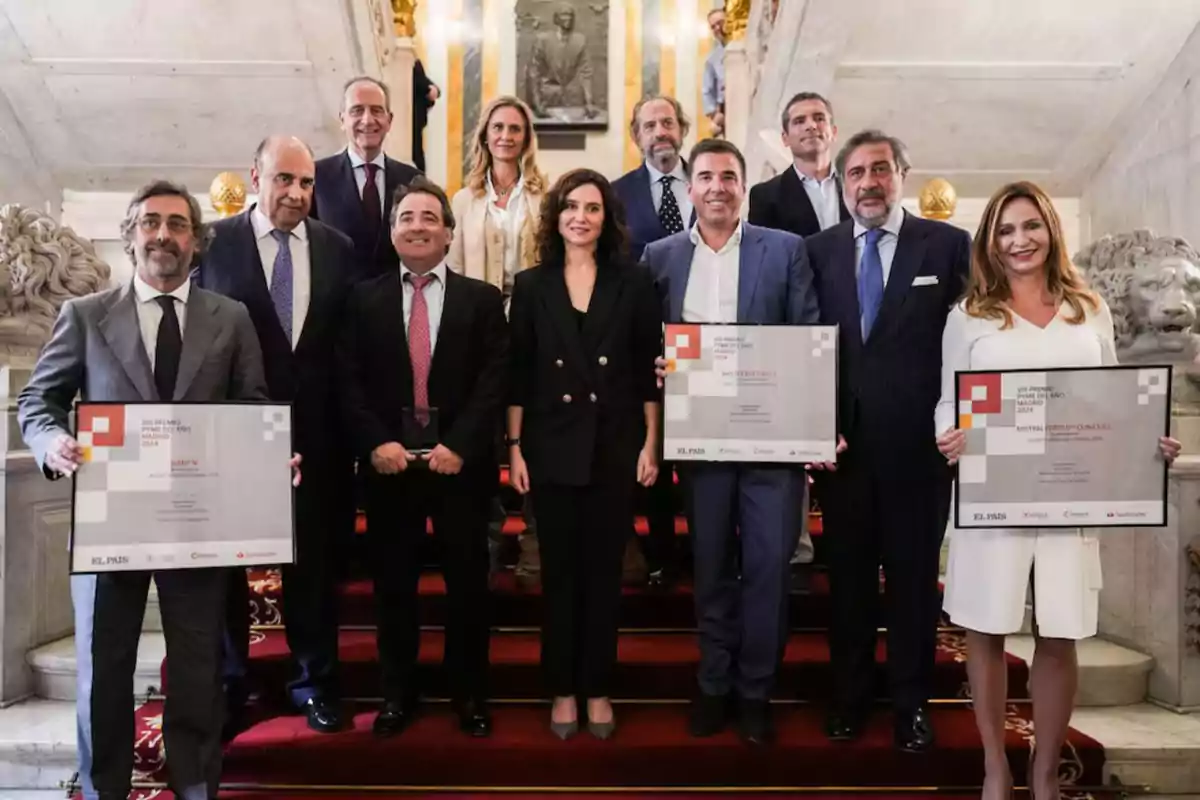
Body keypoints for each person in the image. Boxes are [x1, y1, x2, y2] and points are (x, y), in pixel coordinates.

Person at [16, 180, 294, 800]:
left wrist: (269, 457)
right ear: (130, 233)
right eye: (150, 223)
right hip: (110, 527)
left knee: (198, 671)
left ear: (197, 241)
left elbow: (251, 408)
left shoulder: (231, 318)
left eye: (176, 224)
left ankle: (196, 787)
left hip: (197, 526)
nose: (162, 235)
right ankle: (104, 791)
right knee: (103, 675)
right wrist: (50, 443)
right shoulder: (85, 317)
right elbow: (39, 401)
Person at [934, 180, 1182, 800]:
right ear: (990, 242)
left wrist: (1149, 439)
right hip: (995, 486)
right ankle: (995, 766)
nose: (1019, 241)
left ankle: (1045, 772)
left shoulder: (1087, 309)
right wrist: (948, 433)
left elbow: (1114, 401)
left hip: (1070, 491)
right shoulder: (968, 316)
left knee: (1060, 629)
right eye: (1005, 231)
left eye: (1030, 226)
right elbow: (948, 398)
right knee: (987, 628)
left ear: (1051, 230)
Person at [643, 138, 818, 744]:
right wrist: (658, 366)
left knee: (769, 570)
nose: (717, 187)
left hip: (772, 444)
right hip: (700, 443)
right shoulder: (659, 256)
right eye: (707, 177)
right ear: (689, 188)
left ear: (745, 186)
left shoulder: (786, 250)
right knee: (712, 566)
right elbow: (645, 341)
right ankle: (714, 685)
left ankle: (755, 692)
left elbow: (808, 339)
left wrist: (810, 429)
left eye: (729, 177)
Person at [805, 129, 970, 752]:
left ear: (902, 174)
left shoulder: (949, 246)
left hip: (921, 455)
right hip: (842, 452)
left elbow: (974, 343)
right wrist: (811, 427)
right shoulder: (815, 252)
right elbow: (803, 345)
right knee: (846, 584)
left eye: (880, 170)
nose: (868, 183)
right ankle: (848, 701)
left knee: (911, 583)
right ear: (840, 183)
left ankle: (911, 704)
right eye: (855, 173)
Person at [198, 135, 358, 737]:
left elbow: (346, 348)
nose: (296, 193)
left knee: (313, 566)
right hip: (234, 433)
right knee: (228, 568)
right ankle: (231, 684)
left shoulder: (337, 248)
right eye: (284, 179)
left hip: (318, 437)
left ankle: (314, 683)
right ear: (255, 175)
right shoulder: (213, 243)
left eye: (307, 183)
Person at [339, 176, 509, 738]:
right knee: (394, 588)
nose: (417, 226)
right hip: (390, 469)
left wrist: (460, 444)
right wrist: (375, 443)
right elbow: (348, 381)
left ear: (449, 233)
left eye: (429, 217)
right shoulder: (361, 300)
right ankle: (397, 694)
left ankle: (469, 694)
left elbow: (494, 379)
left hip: (459, 467)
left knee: (467, 587)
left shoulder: (481, 300)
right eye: (407, 217)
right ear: (392, 232)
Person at [507, 168, 662, 740]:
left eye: (592, 208)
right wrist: (516, 447)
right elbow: (518, 374)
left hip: (615, 444)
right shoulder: (531, 285)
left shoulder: (634, 281)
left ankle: (597, 687)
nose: (580, 217)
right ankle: (562, 689)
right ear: (556, 216)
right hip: (549, 446)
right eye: (571, 206)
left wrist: (651, 442)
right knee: (560, 577)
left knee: (603, 577)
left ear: (607, 218)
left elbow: (649, 369)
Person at [748, 91, 850, 576]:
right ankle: (798, 549)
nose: (810, 126)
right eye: (799, 121)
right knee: (796, 444)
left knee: (851, 438)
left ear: (833, 130)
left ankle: (851, 545)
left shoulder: (858, 184)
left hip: (856, 331)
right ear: (785, 137)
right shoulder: (766, 197)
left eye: (819, 118)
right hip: (796, 332)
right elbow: (769, 269)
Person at [448, 94, 548, 585]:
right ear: (484, 135)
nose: (506, 136)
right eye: (498, 127)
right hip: (477, 334)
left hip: (535, 331)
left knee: (536, 436)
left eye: (515, 128)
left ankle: (534, 541)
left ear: (527, 138)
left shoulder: (546, 196)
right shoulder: (463, 200)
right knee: (484, 440)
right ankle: (484, 544)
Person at [613, 93, 695, 586]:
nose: (660, 131)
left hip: (710, 339)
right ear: (636, 136)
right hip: (647, 339)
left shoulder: (710, 177)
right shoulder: (618, 193)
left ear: (682, 128)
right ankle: (662, 553)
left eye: (667, 122)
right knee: (655, 447)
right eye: (649, 125)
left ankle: (710, 551)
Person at [312, 76, 421, 279]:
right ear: (342, 119)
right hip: (336, 305)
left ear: (389, 121)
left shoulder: (413, 180)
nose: (368, 120)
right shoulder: (316, 177)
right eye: (357, 110)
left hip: (395, 304)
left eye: (377, 110)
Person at [701, 7, 727, 137]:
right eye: (713, 26)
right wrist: (716, 115)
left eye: (721, 22)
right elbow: (707, 91)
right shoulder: (712, 59)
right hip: (725, 110)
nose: (717, 28)